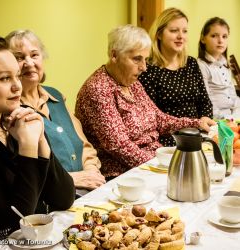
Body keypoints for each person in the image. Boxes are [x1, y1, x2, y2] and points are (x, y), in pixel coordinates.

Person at [75, 24, 215, 179]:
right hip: (124, 174)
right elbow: (119, 147)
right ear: (114, 55)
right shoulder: (98, 89)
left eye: (146, 60)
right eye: (137, 59)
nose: (144, 67)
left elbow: (158, 119)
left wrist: (196, 123)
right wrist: (160, 167)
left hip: (152, 161)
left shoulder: (131, 83)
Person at [0, 37, 74, 241]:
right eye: (4, 78)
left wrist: (41, 144)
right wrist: (27, 148)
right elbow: (16, 229)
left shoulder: (20, 118)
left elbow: (64, 198)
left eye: (16, 76)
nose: (17, 86)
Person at [5, 30, 106, 192]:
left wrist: (91, 171)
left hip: (87, 188)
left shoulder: (57, 96)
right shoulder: (11, 111)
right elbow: (21, 171)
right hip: (50, 199)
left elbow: (85, 146)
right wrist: (70, 179)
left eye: (34, 55)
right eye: (19, 57)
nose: (29, 63)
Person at [138, 7, 213, 146]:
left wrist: (205, 120)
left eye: (184, 31)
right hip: (168, 141)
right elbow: (151, 117)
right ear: (159, 34)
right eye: (174, 31)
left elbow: (205, 101)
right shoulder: (147, 69)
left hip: (198, 136)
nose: (181, 36)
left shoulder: (191, 63)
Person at [197, 17, 240, 119]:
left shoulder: (226, 65)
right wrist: (229, 119)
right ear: (203, 39)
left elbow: (233, 97)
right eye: (214, 36)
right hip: (217, 119)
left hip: (233, 116)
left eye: (224, 36)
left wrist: (235, 116)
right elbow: (205, 104)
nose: (220, 40)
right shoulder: (201, 65)